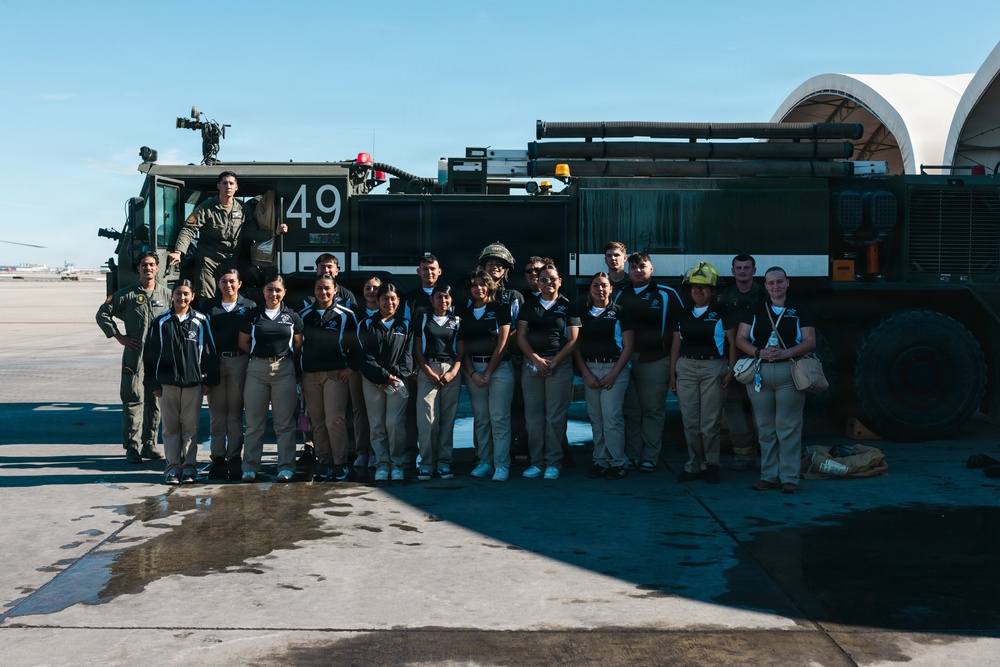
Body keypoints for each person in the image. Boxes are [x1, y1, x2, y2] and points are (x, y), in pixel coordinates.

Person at [735, 266, 817, 494]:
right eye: (771, 283)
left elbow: (810, 341)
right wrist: (758, 352)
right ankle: (769, 476)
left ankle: (789, 477)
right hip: (760, 373)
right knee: (764, 427)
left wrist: (786, 353)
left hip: (789, 373)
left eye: (780, 282)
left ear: (787, 282)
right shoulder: (754, 310)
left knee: (788, 426)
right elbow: (741, 339)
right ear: (766, 285)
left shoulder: (799, 310)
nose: (776, 286)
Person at [96, 251, 171, 463]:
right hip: (134, 357)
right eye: (144, 265)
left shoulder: (166, 295)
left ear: (157, 268)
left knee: (155, 403)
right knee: (133, 400)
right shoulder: (126, 295)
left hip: (158, 359)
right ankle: (132, 447)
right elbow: (102, 313)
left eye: (152, 265)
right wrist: (118, 336)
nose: (148, 268)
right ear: (138, 268)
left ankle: (149, 444)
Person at [167, 171, 287, 302]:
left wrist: (274, 232)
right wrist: (178, 252)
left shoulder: (243, 209)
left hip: (231, 260)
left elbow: (252, 233)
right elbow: (189, 229)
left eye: (231, 183)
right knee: (207, 298)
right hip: (208, 261)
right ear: (218, 186)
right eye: (224, 183)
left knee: (229, 296)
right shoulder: (206, 207)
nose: (228, 186)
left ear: (236, 187)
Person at [143, 280, 219, 485]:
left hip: (193, 384)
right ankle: (172, 468)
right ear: (172, 295)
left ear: (192, 296)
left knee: (190, 429)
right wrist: (153, 384)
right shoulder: (160, 321)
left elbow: (210, 353)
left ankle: (189, 468)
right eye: (178, 293)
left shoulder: (201, 321)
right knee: (169, 429)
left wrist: (208, 380)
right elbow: (150, 354)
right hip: (167, 385)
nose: (182, 298)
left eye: (186, 294)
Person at [612, 252, 683, 472]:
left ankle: (650, 456)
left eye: (642, 266)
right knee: (631, 410)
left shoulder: (667, 294)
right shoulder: (620, 295)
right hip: (625, 360)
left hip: (655, 360)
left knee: (652, 410)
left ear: (651, 269)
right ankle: (633, 453)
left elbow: (678, 334)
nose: (637, 270)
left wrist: (672, 368)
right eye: (633, 267)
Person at [669, 263, 734, 485]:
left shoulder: (723, 314)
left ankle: (712, 465)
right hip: (686, 369)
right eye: (694, 287)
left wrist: (730, 371)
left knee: (710, 422)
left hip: (713, 369)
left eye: (704, 287)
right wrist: (672, 374)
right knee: (690, 422)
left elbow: (733, 345)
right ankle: (694, 465)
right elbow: (675, 347)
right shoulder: (682, 314)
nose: (698, 291)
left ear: (713, 291)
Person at [516, 264, 581, 479]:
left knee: (555, 417)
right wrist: (535, 358)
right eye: (543, 279)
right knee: (534, 418)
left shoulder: (568, 306)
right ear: (538, 282)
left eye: (552, 279)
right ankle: (536, 462)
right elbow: (521, 336)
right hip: (532, 364)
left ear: (560, 281)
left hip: (558, 366)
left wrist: (553, 362)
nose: (548, 282)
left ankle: (554, 462)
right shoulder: (529, 306)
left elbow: (573, 340)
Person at [295, 253, 359, 469]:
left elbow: (357, 345)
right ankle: (324, 461)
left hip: (335, 375)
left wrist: (351, 367)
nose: (323, 292)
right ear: (314, 291)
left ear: (335, 291)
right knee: (318, 422)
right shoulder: (303, 315)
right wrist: (298, 373)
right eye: (319, 289)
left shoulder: (346, 315)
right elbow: (297, 346)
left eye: (327, 289)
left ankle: (340, 462)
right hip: (310, 376)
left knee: (335, 420)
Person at [238, 275, 304, 482]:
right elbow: (243, 343)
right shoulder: (253, 315)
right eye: (269, 289)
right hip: (256, 369)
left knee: (284, 424)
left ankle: (285, 467)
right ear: (263, 291)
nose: (273, 294)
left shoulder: (293, 316)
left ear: (284, 292)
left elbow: (298, 344)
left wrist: (280, 359)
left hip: (284, 368)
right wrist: (261, 358)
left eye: (277, 290)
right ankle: (249, 467)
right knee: (254, 423)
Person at [574, 272, 633, 480]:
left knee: (612, 418)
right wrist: (586, 374)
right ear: (590, 289)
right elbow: (576, 348)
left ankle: (618, 462)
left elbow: (628, 346)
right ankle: (600, 461)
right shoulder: (583, 314)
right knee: (596, 419)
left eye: (604, 285)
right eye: (596, 285)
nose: (600, 289)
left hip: (614, 370)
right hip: (591, 370)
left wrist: (614, 374)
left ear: (611, 289)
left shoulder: (620, 312)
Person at [459, 270, 515, 481]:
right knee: (482, 419)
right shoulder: (465, 313)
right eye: (474, 285)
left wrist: (488, 372)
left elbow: (503, 343)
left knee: (499, 418)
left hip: (499, 370)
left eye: (483, 284)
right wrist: (472, 373)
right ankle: (485, 462)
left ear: (490, 286)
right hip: (473, 369)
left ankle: (501, 465)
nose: (479, 288)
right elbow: (461, 348)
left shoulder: (500, 308)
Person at [201, 268, 255, 481]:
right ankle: (218, 459)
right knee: (216, 415)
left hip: (239, 362)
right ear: (218, 284)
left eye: (232, 281)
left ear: (239, 284)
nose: (228, 285)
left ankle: (234, 458)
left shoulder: (249, 306)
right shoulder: (209, 307)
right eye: (223, 281)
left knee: (234, 413)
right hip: (215, 362)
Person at [358, 283, 414, 482]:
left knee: (394, 424)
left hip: (398, 381)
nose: (389, 302)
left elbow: (408, 359)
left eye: (393, 298)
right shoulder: (366, 324)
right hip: (372, 382)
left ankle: (397, 464)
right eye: (385, 298)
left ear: (398, 301)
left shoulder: (406, 325)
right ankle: (382, 464)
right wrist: (382, 377)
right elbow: (364, 357)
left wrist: (391, 378)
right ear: (378, 300)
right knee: (377, 425)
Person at [717, 253, 765, 471]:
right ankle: (744, 457)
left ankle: (768, 455)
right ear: (733, 271)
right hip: (733, 359)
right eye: (739, 268)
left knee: (764, 410)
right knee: (735, 408)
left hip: (761, 357)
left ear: (754, 271)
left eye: (747, 267)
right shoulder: (724, 296)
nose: (743, 271)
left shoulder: (765, 294)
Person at [413, 284, 462, 481]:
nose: (443, 301)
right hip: (428, 370)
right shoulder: (423, 319)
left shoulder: (457, 321)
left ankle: (444, 463)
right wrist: (428, 372)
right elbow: (417, 350)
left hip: (451, 370)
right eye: (439, 297)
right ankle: (426, 463)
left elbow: (461, 351)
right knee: (427, 422)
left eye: (447, 297)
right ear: (432, 300)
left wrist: (452, 372)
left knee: (447, 420)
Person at [352, 276, 382, 470]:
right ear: (362, 291)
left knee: (378, 413)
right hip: (357, 368)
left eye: (375, 288)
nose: (371, 291)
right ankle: (362, 451)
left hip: (381, 370)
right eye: (367, 288)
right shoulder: (354, 314)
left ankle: (376, 452)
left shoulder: (388, 312)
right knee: (359, 411)